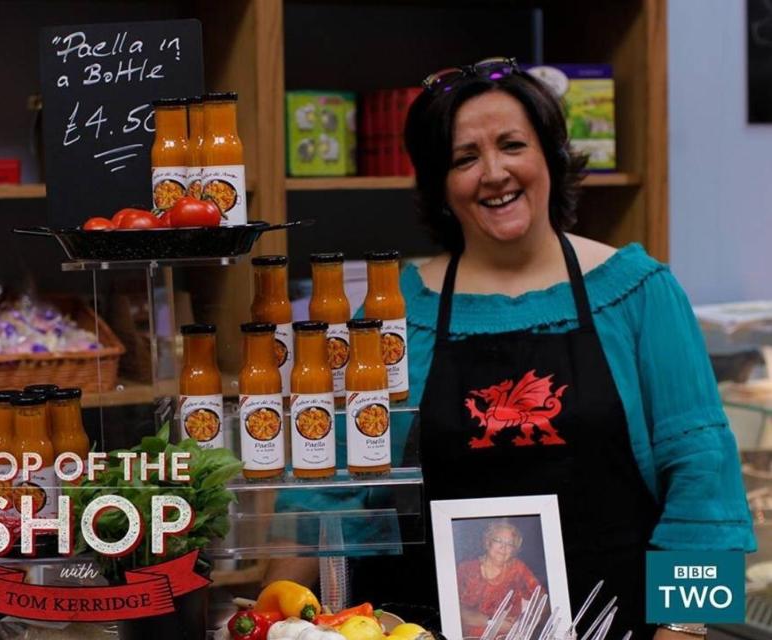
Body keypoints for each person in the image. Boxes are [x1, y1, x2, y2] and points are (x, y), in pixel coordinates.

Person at [266, 57, 755, 640]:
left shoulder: (639, 292)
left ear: (550, 153)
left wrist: (685, 629)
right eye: (464, 158)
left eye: (512, 145)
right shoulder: (390, 310)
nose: (494, 172)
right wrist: (269, 615)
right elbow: (326, 494)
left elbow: (705, 484)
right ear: (440, 186)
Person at [457, 520, 541, 639]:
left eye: (510, 544)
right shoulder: (466, 569)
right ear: (487, 542)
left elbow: (541, 599)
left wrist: (525, 620)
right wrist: (494, 623)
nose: (504, 547)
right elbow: (455, 610)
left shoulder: (517, 569)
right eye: (498, 541)